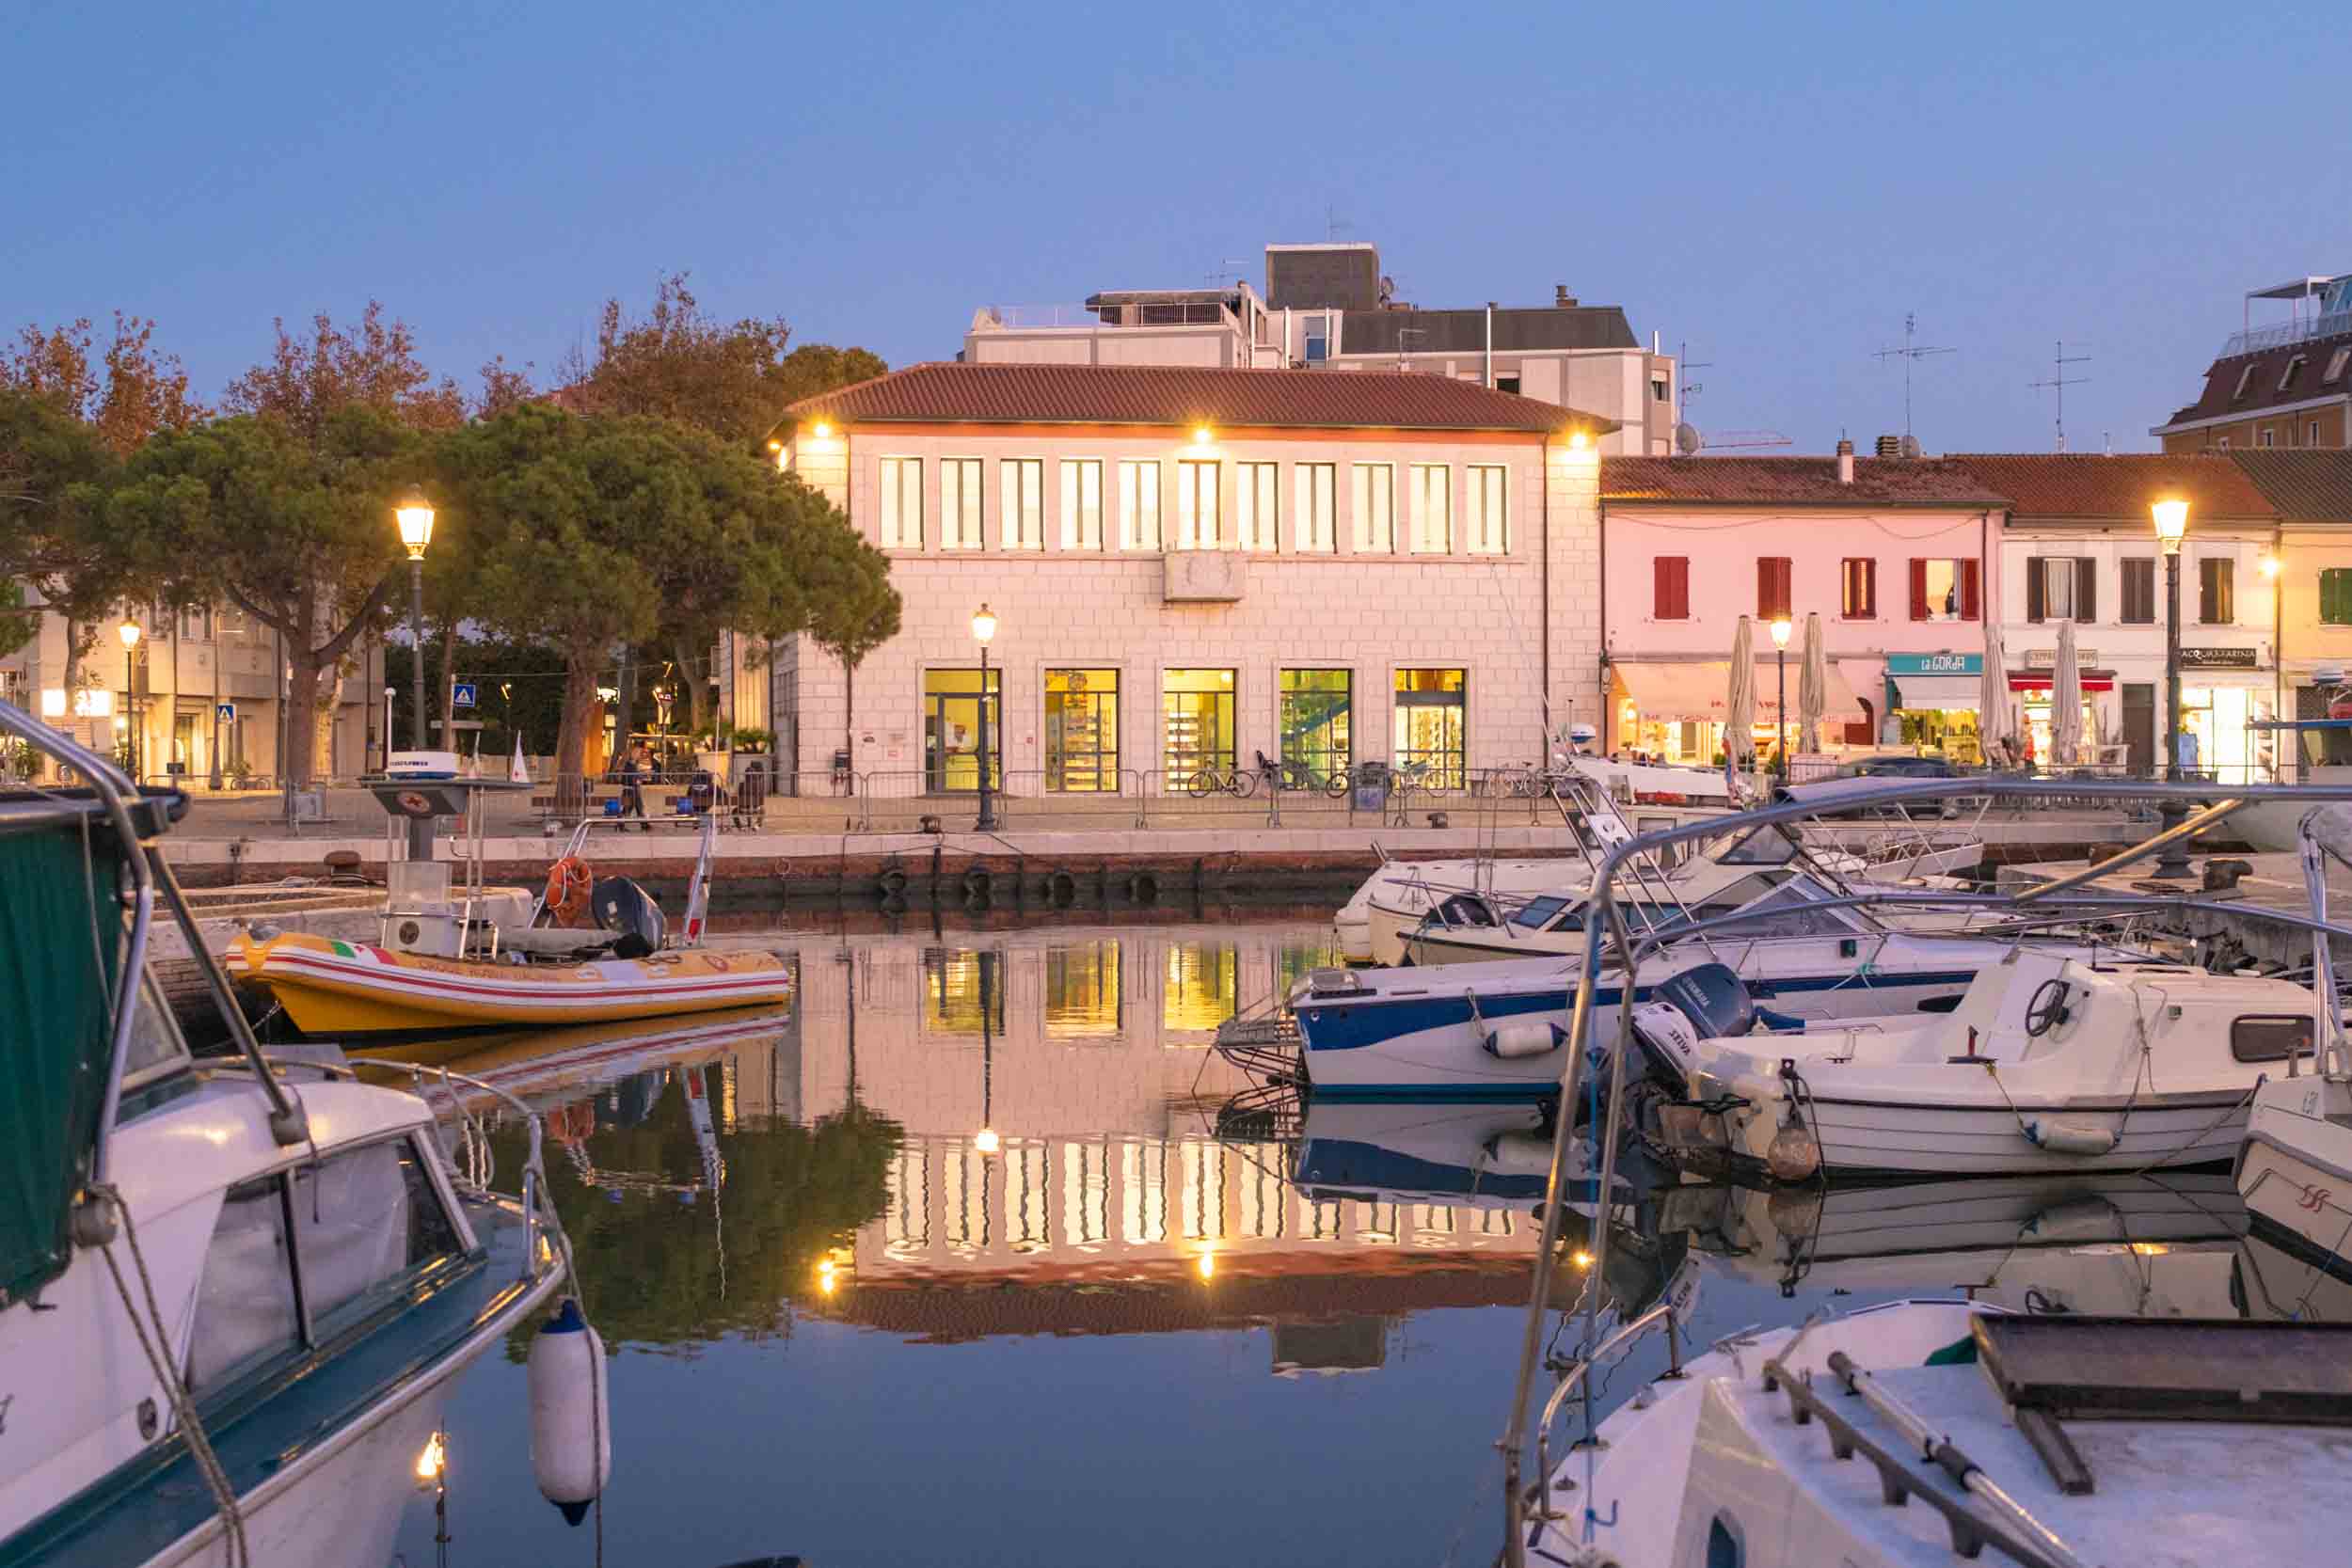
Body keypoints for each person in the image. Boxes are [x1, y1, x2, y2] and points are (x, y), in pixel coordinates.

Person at [619, 744, 648, 831]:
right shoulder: (629, 764)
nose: (639, 754)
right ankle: (621, 824)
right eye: (638, 752)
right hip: (629, 790)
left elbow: (633, 777)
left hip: (633, 789)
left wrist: (639, 778)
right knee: (628, 808)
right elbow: (627, 778)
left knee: (638, 807)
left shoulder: (633, 764)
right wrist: (637, 780)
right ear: (633, 753)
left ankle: (644, 825)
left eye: (639, 752)